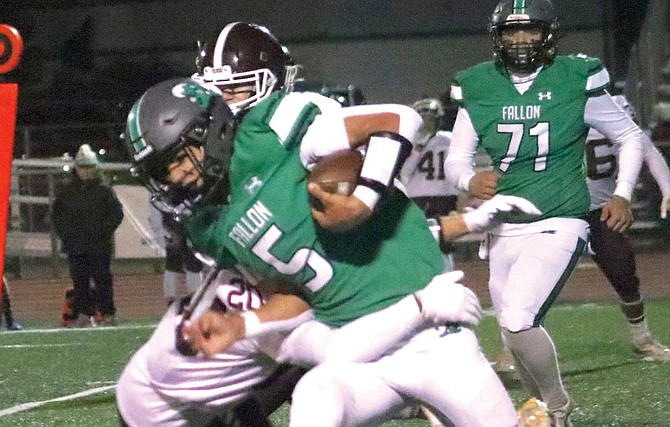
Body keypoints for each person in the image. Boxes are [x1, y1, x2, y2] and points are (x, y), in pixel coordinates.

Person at [118, 21, 538, 424]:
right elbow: (292, 293)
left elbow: (397, 120)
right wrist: (240, 324)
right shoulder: (208, 226)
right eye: (162, 170)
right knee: (315, 393)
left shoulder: (276, 127)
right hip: (361, 345)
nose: (175, 178)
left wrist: (363, 199)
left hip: (433, 336)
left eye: (177, 161)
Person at [444, 1, 646, 426]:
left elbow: (628, 135)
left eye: (530, 31)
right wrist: (467, 181)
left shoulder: (575, 75)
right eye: (511, 32)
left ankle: (557, 406)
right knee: (512, 338)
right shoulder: (477, 83)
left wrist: (623, 193)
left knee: (518, 320)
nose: (520, 40)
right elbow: (456, 158)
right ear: (496, 37)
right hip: (502, 227)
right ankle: (545, 417)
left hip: (560, 217)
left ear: (548, 34)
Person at [585, 95, 670, 361]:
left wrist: (667, 188)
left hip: (603, 209)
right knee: (537, 279)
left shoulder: (614, 106)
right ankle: (512, 346)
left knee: (624, 272)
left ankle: (641, 337)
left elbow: (647, 149)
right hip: (559, 209)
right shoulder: (556, 107)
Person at [52, 143, 124, 327]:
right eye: (83, 167)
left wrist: (102, 231)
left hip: (98, 244)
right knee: (80, 281)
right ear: (76, 168)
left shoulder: (104, 190)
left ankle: (107, 313)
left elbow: (116, 214)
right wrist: (67, 235)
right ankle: (85, 314)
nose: (86, 171)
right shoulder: (67, 192)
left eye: (89, 167)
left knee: (102, 280)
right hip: (75, 245)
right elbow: (56, 217)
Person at [400, 98, 461, 271]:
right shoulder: (411, 142)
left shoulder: (449, 139)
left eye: (431, 118)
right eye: (425, 118)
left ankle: (446, 275)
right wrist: (419, 146)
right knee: (420, 240)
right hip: (418, 198)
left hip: (445, 197)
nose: (428, 123)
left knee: (445, 241)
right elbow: (404, 174)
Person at [161, 212, 203, 306]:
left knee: (180, 258)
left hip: (174, 214)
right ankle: (194, 298)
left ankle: (173, 299)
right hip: (182, 214)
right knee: (186, 257)